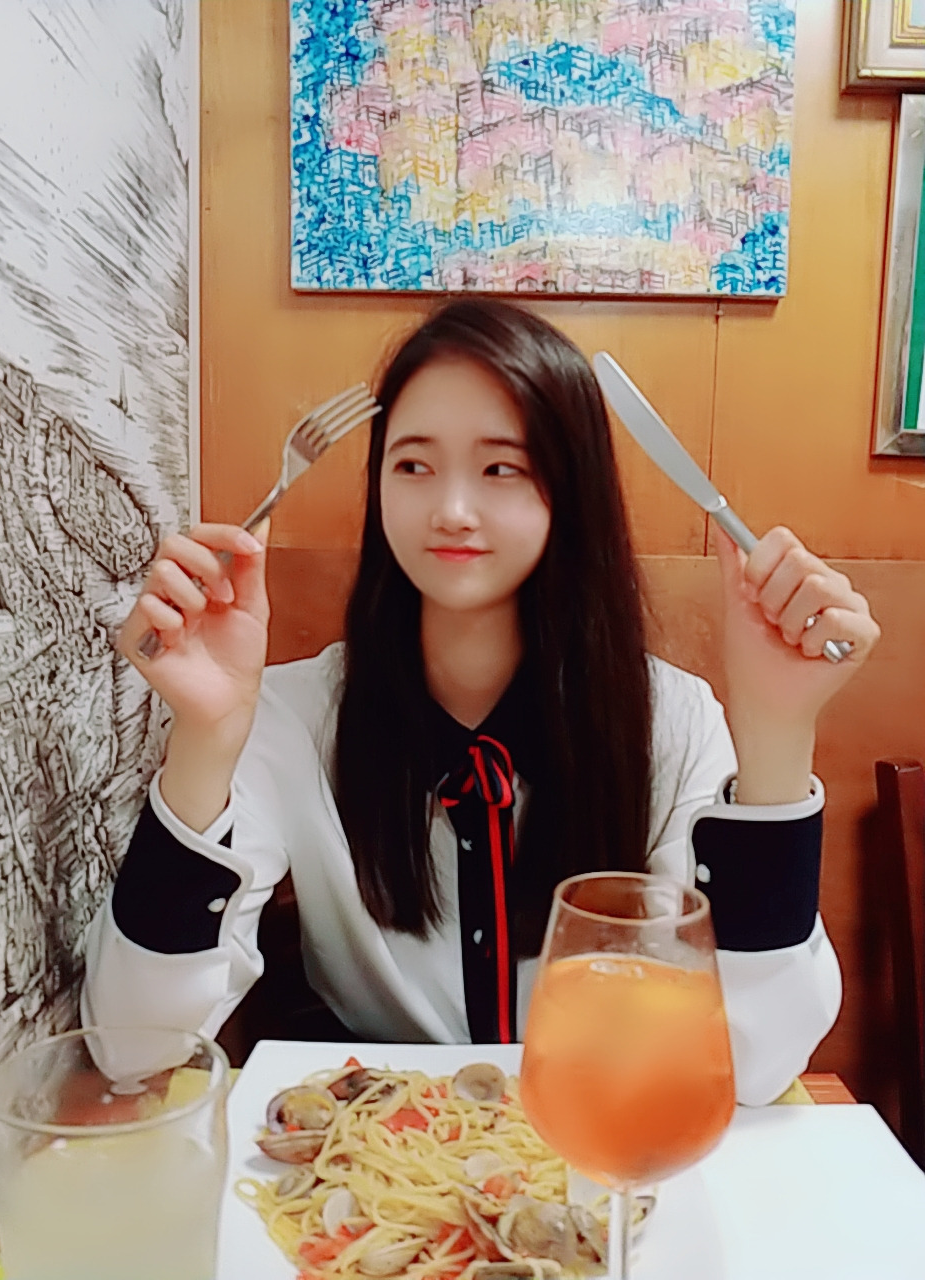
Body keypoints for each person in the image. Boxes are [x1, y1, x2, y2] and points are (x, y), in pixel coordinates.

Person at [84, 299, 880, 1105]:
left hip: (598, 1137)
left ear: (570, 493)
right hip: (374, 1152)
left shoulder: (670, 723)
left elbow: (756, 1062)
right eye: (413, 465)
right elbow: (133, 1048)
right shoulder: (293, 717)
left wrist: (778, 731)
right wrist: (206, 734)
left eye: (501, 469)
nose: (452, 510)